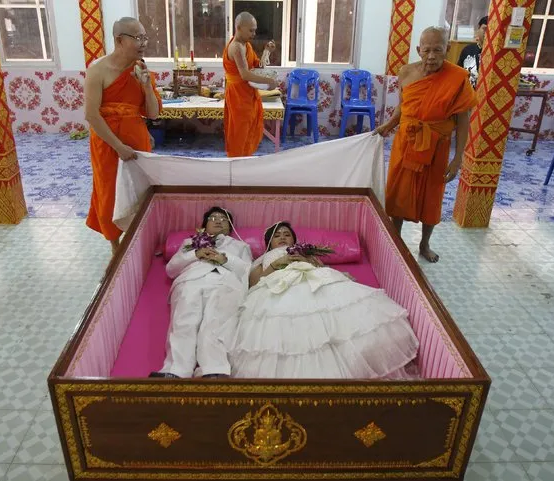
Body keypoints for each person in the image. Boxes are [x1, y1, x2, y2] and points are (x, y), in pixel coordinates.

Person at [228, 222, 419, 379]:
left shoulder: (305, 252)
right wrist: (278, 264)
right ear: (269, 244)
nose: (283, 237)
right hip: (278, 284)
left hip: (313, 281)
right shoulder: (265, 257)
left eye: (287, 234)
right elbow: (254, 282)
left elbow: (320, 270)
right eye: (277, 235)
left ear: (295, 239)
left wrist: (306, 260)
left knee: (340, 325)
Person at [375, 27, 477, 263]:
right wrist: (388, 125)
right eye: (427, 50)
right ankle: (396, 241)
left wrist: (458, 158)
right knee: (398, 193)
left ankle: (424, 244)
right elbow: (403, 106)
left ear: (447, 50)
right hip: (406, 142)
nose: (432, 56)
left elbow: (463, 121)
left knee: (432, 196)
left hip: (437, 146)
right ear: (419, 50)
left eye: (438, 50)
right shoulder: (405, 72)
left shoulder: (458, 78)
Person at [84, 17, 162, 255]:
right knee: (109, 191)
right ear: (119, 40)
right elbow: (91, 115)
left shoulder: (141, 71)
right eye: (137, 38)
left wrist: (147, 85)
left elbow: (153, 113)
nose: (143, 43)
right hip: (107, 143)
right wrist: (118, 146)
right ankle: (115, 247)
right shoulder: (98, 70)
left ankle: (143, 238)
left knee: (141, 189)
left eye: (145, 37)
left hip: (137, 138)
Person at [151, 207, 252, 379]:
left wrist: (225, 259)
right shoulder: (189, 243)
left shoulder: (240, 246)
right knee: (184, 322)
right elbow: (171, 269)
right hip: (190, 281)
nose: (218, 221)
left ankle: (214, 369)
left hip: (225, 283)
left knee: (216, 324)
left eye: (223, 219)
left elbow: (247, 271)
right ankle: (176, 370)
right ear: (204, 226)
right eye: (213, 218)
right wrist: (196, 254)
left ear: (230, 227)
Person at [223, 12, 278, 157]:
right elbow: (245, 74)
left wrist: (267, 52)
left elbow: (256, 67)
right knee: (239, 132)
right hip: (238, 96)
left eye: (255, 30)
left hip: (248, 93)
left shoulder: (246, 45)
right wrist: (269, 81)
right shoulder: (236, 47)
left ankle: (244, 162)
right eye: (251, 30)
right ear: (239, 28)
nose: (254, 34)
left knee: (248, 130)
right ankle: (236, 166)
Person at [457, 16, 488, 89]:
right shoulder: (467, 50)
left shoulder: (496, 54)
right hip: (467, 94)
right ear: (478, 29)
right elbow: (458, 73)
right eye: (485, 29)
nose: (487, 33)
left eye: (490, 30)